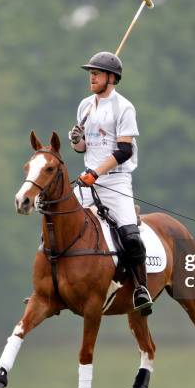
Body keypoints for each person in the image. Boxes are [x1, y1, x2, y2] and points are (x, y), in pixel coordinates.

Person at [68, 51, 152, 315]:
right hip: (87, 182)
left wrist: (97, 172)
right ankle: (49, 282)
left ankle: (141, 289)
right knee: (55, 222)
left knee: (131, 236)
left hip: (115, 182)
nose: (91, 77)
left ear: (111, 78)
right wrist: (76, 140)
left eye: (97, 73)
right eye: (91, 73)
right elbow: (83, 149)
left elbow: (124, 150)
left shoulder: (124, 107)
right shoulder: (85, 106)